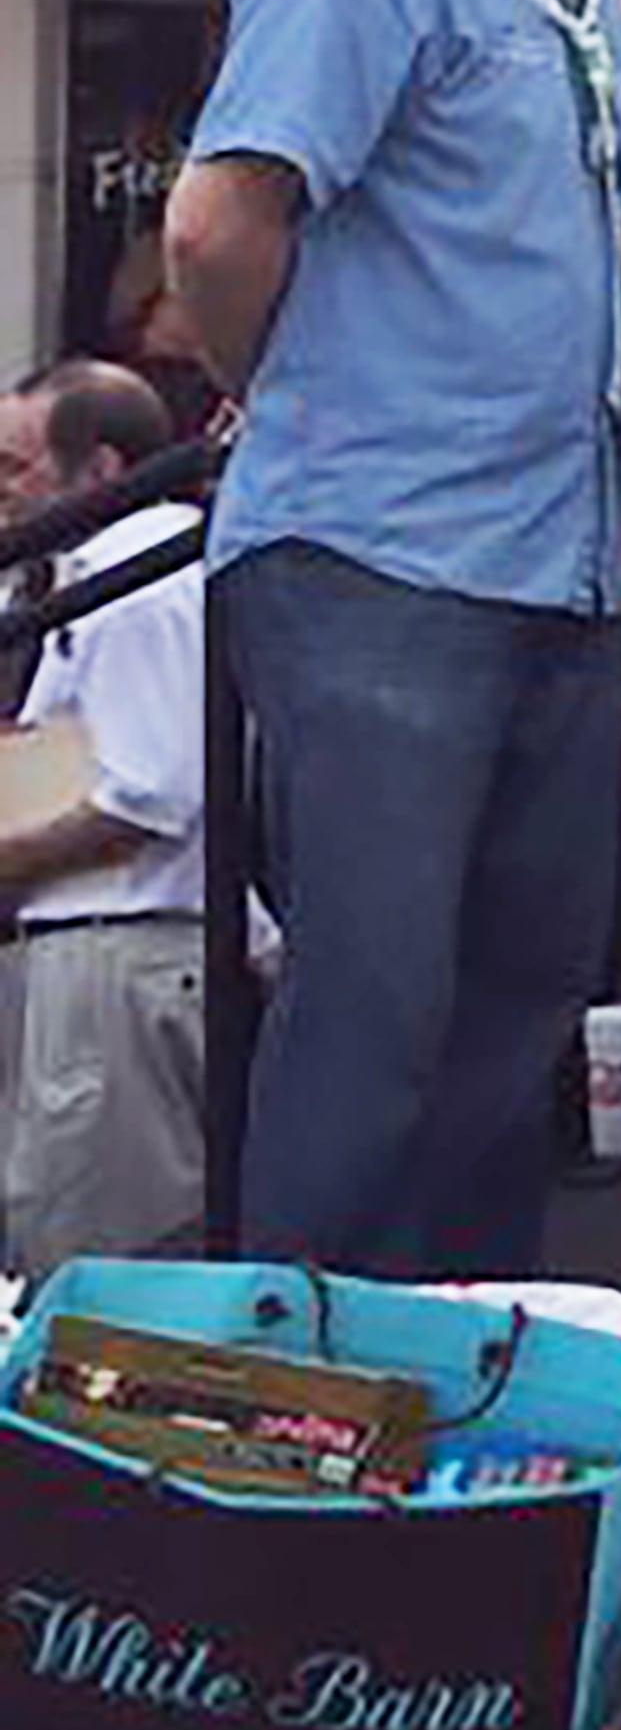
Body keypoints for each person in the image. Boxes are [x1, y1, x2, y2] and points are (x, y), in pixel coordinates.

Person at [166, 0, 621, 1276]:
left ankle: (452, 1372)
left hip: (559, 565)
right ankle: (296, 1390)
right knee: (375, 1000)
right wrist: (283, 393)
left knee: (516, 1009)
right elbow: (220, 220)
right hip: (382, 564)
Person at [0, 363, 212, 1274]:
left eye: (14, 466)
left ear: (101, 470)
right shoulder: (68, 579)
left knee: (94, 1253)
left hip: (118, 947)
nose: (2, 491)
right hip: (94, 945)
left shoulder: (133, 576)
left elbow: (149, 790)